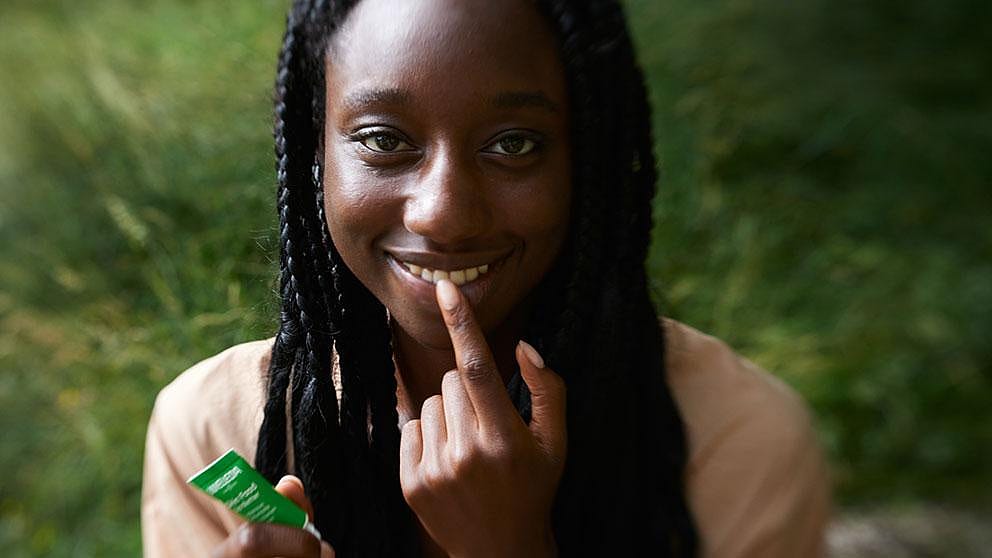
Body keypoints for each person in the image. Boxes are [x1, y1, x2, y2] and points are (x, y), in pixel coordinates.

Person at [141, 0, 831, 556]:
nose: (442, 213)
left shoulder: (735, 440)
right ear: (316, 157)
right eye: (384, 139)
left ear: (585, 164)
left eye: (513, 144)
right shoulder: (217, 431)